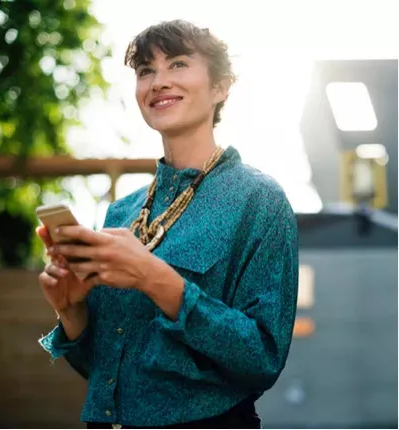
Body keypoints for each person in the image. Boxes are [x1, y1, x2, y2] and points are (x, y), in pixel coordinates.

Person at [38, 20, 299, 429]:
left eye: (177, 64)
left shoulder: (259, 201)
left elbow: (263, 358)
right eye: (146, 70)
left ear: (220, 87)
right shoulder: (120, 214)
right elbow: (107, 374)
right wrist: (71, 311)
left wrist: (153, 277)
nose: (158, 82)